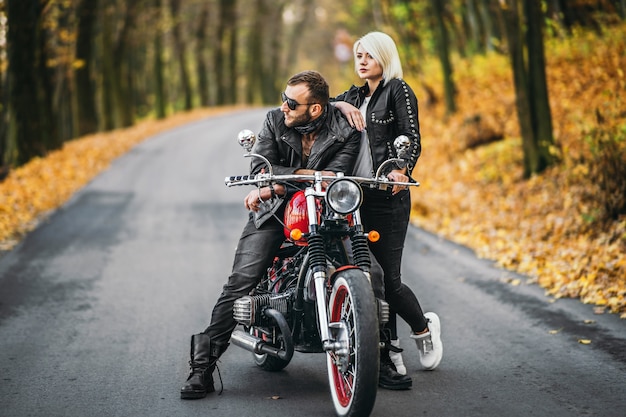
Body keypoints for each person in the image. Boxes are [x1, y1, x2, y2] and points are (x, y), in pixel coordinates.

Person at [180, 70, 361, 400]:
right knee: (241, 280)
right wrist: (287, 181)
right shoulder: (274, 121)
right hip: (275, 210)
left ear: (316, 108)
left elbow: (338, 174)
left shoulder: (345, 129)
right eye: (283, 98)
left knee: (369, 274)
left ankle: (375, 358)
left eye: (291, 102)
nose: (284, 107)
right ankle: (202, 367)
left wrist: (284, 180)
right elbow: (261, 170)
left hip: (324, 212)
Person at [332, 31, 443, 389]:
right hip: (354, 197)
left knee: (389, 281)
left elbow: (412, 137)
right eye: (358, 55)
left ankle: (423, 328)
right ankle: (388, 349)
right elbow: (323, 105)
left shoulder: (398, 89)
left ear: (384, 56)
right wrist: (340, 106)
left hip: (387, 195)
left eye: (368, 55)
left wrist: (401, 167)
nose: (361, 61)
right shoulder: (353, 95)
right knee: (369, 279)